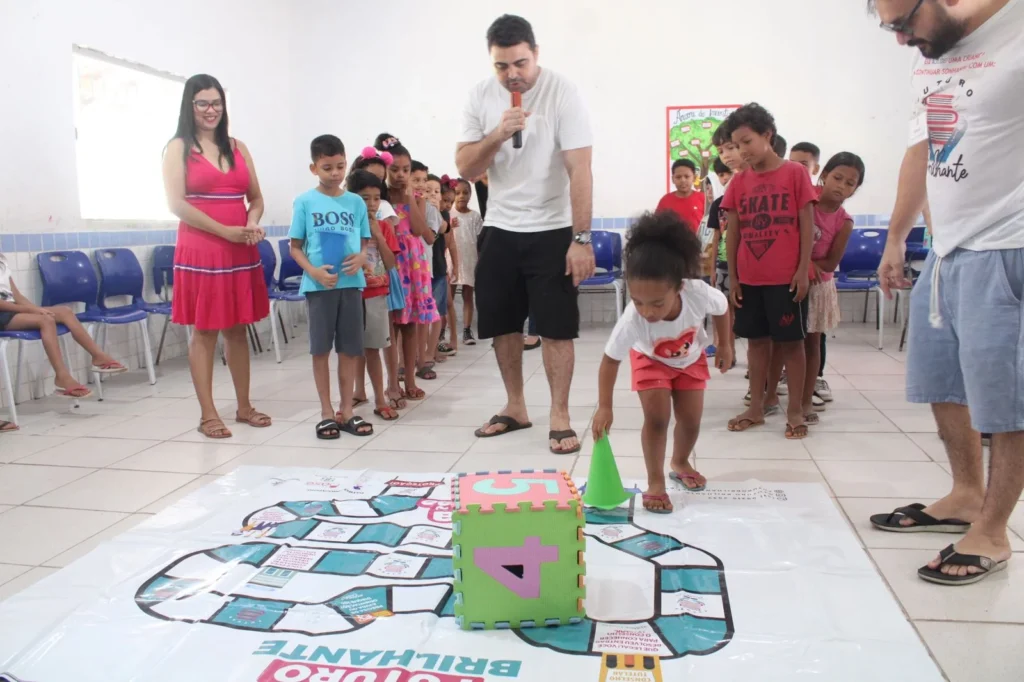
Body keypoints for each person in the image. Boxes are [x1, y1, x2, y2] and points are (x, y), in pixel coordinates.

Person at [869, 0, 1024, 586]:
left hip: (1007, 245)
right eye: (891, 29)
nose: (903, 39)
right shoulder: (931, 57)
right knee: (944, 385)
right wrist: (895, 240)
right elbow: (923, 151)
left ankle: (993, 530)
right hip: (945, 247)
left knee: (1005, 401)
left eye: (905, 22)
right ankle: (965, 493)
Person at [456, 14, 595, 454]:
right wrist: (499, 132)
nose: (512, 74)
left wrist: (582, 238)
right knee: (502, 324)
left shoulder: (562, 92)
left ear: (535, 54)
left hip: (553, 228)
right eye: (502, 66)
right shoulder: (480, 97)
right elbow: (466, 168)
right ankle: (515, 406)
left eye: (520, 63)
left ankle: (560, 414)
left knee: (556, 329)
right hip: (500, 226)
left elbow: (580, 168)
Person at [593, 211, 731, 512]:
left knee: (691, 420)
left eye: (657, 303)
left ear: (679, 286)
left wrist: (726, 345)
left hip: (690, 357)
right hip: (650, 358)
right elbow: (609, 361)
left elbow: (722, 308)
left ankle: (680, 462)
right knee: (657, 420)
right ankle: (655, 482)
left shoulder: (697, 293)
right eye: (638, 301)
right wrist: (605, 405)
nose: (647, 311)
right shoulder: (633, 319)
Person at [162, 74, 271, 440]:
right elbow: (176, 204)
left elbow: (255, 199)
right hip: (202, 249)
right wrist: (225, 231)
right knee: (205, 331)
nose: (211, 110)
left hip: (240, 248)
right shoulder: (178, 147)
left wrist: (252, 222)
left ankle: (243, 406)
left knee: (238, 328)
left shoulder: (238, 146)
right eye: (203, 103)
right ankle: (208, 414)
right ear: (189, 106)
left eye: (216, 103)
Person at [721, 103, 815, 439]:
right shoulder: (739, 182)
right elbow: (734, 231)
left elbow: (807, 223)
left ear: (767, 136)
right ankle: (757, 408)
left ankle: (795, 411)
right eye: (736, 144)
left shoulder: (794, 173)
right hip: (750, 278)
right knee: (756, 344)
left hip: (786, 279)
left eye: (746, 141)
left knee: (792, 344)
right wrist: (733, 276)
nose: (741, 150)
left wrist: (803, 271)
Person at [288, 134, 372, 439]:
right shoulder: (305, 202)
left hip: (351, 284)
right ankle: (326, 412)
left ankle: (346, 409)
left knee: (350, 349)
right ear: (314, 168)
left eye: (339, 166)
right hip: (319, 287)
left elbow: (364, 243)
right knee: (321, 349)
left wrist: (362, 258)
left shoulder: (355, 202)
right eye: (327, 168)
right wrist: (314, 272)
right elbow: (295, 247)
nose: (335, 173)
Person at [0, 251, 128, 422]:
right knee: (46, 320)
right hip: (2, 313)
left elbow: (16, 296)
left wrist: (36, 308)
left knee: (65, 312)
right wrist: (33, 311)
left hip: (13, 308)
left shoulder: (2, 261)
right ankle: (62, 376)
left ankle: (98, 356)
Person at [801, 153, 862, 424]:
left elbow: (831, 262)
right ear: (824, 174)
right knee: (782, 344)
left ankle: (804, 400)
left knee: (811, 343)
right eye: (837, 178)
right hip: (789, 279)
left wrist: (809, 267)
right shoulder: (804, 201)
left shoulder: (844, 222)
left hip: (817, 286)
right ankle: (771, 395)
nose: (841, 186)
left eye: (850, 183)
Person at [379, 136, 437, 402]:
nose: (401, 175)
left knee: (411, 323)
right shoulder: (378, 197)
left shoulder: (414, 196)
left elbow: (419, 230)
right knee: (391, 325)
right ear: (385, 170)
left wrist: (409, 199)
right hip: (392, 263)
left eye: (406, 170)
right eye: (395, 170)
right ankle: (393, 382)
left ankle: (410, 378)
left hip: (414, 266)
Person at [350, 147, 405, 413]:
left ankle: (380, 399)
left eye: (375, 199)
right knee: (352, 349)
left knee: (374, 346)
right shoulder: (347, 226)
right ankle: (356, 393)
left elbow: (391, 263)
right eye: (364, 198)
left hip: (375, 294)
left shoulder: (383, 226)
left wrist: (378, 234)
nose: (371, 204)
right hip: (350, 293)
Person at [425, 174, 460, 368]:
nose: (433, 196)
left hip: (438, 268)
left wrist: (454, 265)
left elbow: (450, 243)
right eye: (428, 191)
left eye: (436, 192)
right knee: (423, 313)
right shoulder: (419, 211)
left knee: (439, 310)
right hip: (421, 270)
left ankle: (433, 350)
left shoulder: (444, 216)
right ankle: (426, 350)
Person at [707, 155, 737, 368]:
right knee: (725, 311)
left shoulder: (745, 200)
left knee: (743, 313)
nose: (726, 178)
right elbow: (716, 238)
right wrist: (712, 268)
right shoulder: (718, 204)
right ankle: (730, 352)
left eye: (728, 172)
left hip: (745, 266)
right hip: (723, 265)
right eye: (722, 174)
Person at [451, 179, 483, 351]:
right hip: (451, 261)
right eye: (457, 193)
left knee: (468, 296)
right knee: (447, 299)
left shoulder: (475, 217)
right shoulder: (448, 214)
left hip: (469, 260)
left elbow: (479, 242)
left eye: (465, 192)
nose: (461, 196)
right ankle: (443, 331)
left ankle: (466, 330)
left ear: (470, 194)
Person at [656, 159, 705, 233]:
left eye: (687, 176)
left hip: (699, 243)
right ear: (673, 179)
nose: (683, 180)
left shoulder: (703, 199)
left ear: (694, 178)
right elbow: (657, 225)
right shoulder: (665, 200)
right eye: (678, 177)